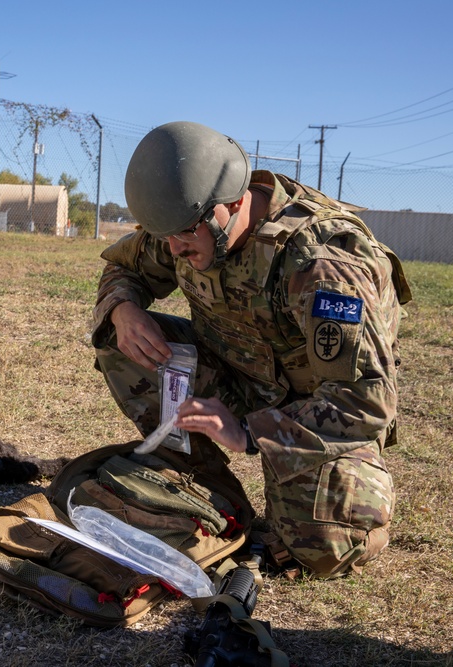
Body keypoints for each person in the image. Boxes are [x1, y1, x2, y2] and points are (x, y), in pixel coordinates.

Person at [91, 121, 411, 578]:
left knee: (323, 548)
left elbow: (367, 400)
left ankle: (348, 493)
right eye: (165, 236)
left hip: (314, 410)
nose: (173, 249)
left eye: (182, 234)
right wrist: (123, 308)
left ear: (235, 204)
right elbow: (125, 268)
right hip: (238, 376)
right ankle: (207, 487)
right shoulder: (186, 225)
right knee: (120, 341)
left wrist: (247, 430)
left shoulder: (321, 265)